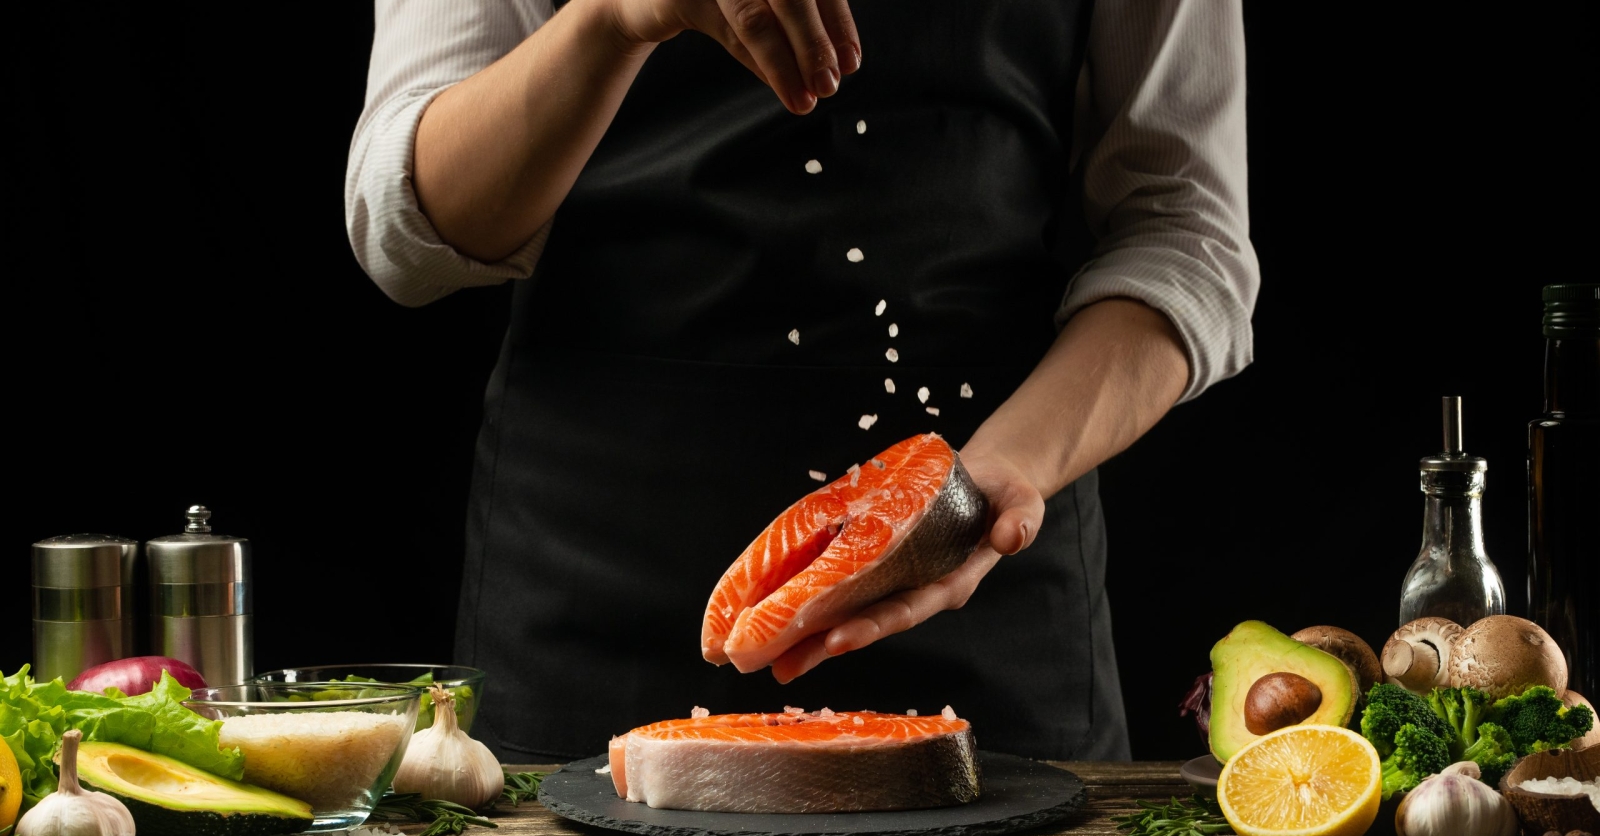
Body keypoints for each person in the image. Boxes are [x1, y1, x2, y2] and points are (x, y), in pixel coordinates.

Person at [346, 0, 1258, 763]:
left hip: (981, 554)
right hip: (592, 564)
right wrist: (612, 19)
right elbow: (408, 232)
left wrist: (1002, 471)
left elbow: (1187, 230)